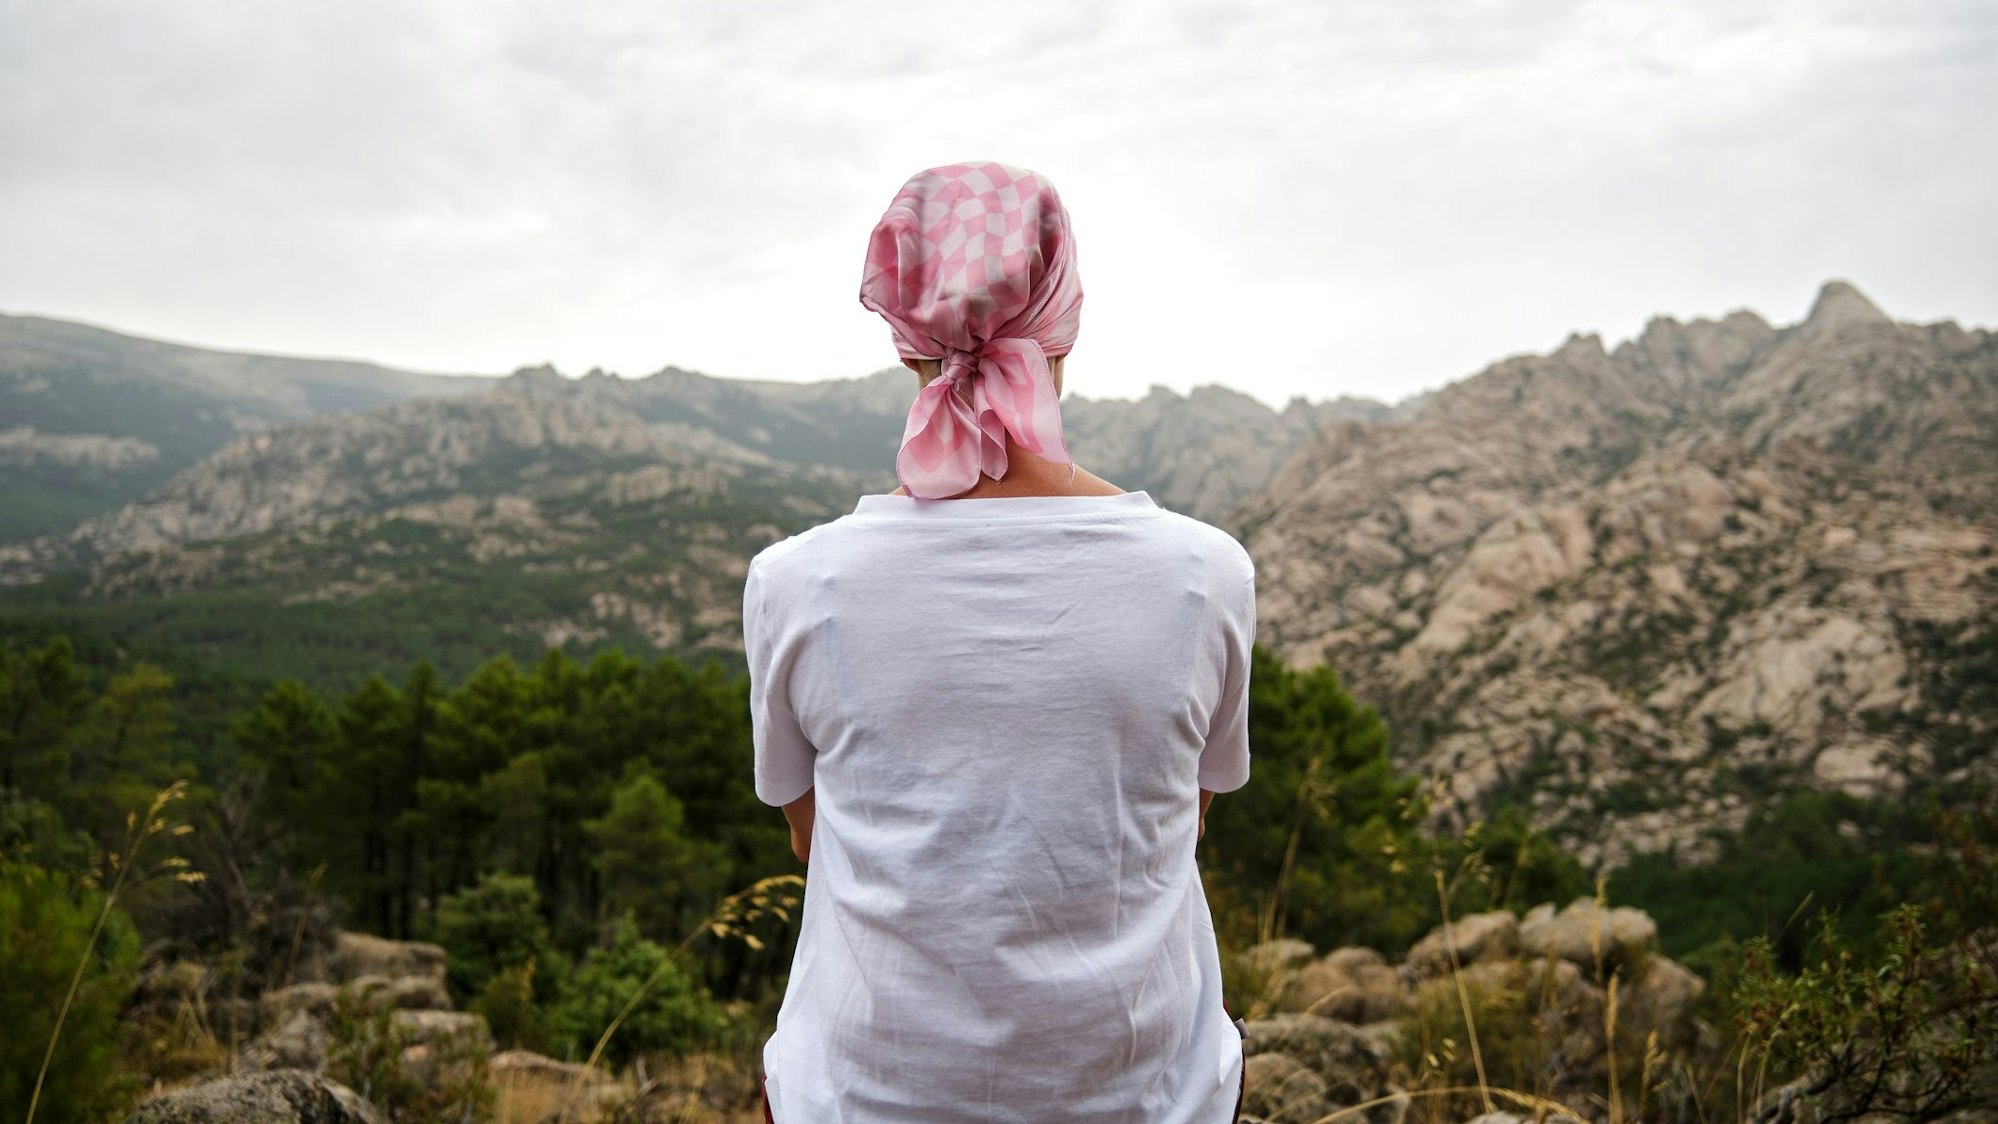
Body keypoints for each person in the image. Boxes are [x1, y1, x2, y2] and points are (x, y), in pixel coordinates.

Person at [743, 161, 1256, 1123]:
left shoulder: (796, 583)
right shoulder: (1206, 573)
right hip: (1147, 1098)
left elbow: (819, 843)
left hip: (861, 1097)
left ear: (905, 343)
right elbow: (1173, 829)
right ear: (1066, 321)